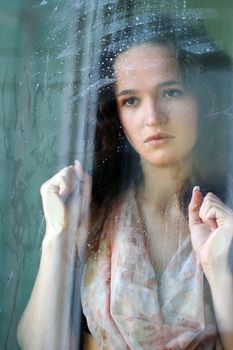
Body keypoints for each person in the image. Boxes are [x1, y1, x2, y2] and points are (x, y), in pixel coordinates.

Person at [17, 15, 233, 349]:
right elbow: (40, 344)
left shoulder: (226, 213)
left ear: (203, 99)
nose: (153, 118)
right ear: (115, 115)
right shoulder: (94, 211)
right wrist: (57, 237)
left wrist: (220, 272)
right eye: (131, 100)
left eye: (171, 92)